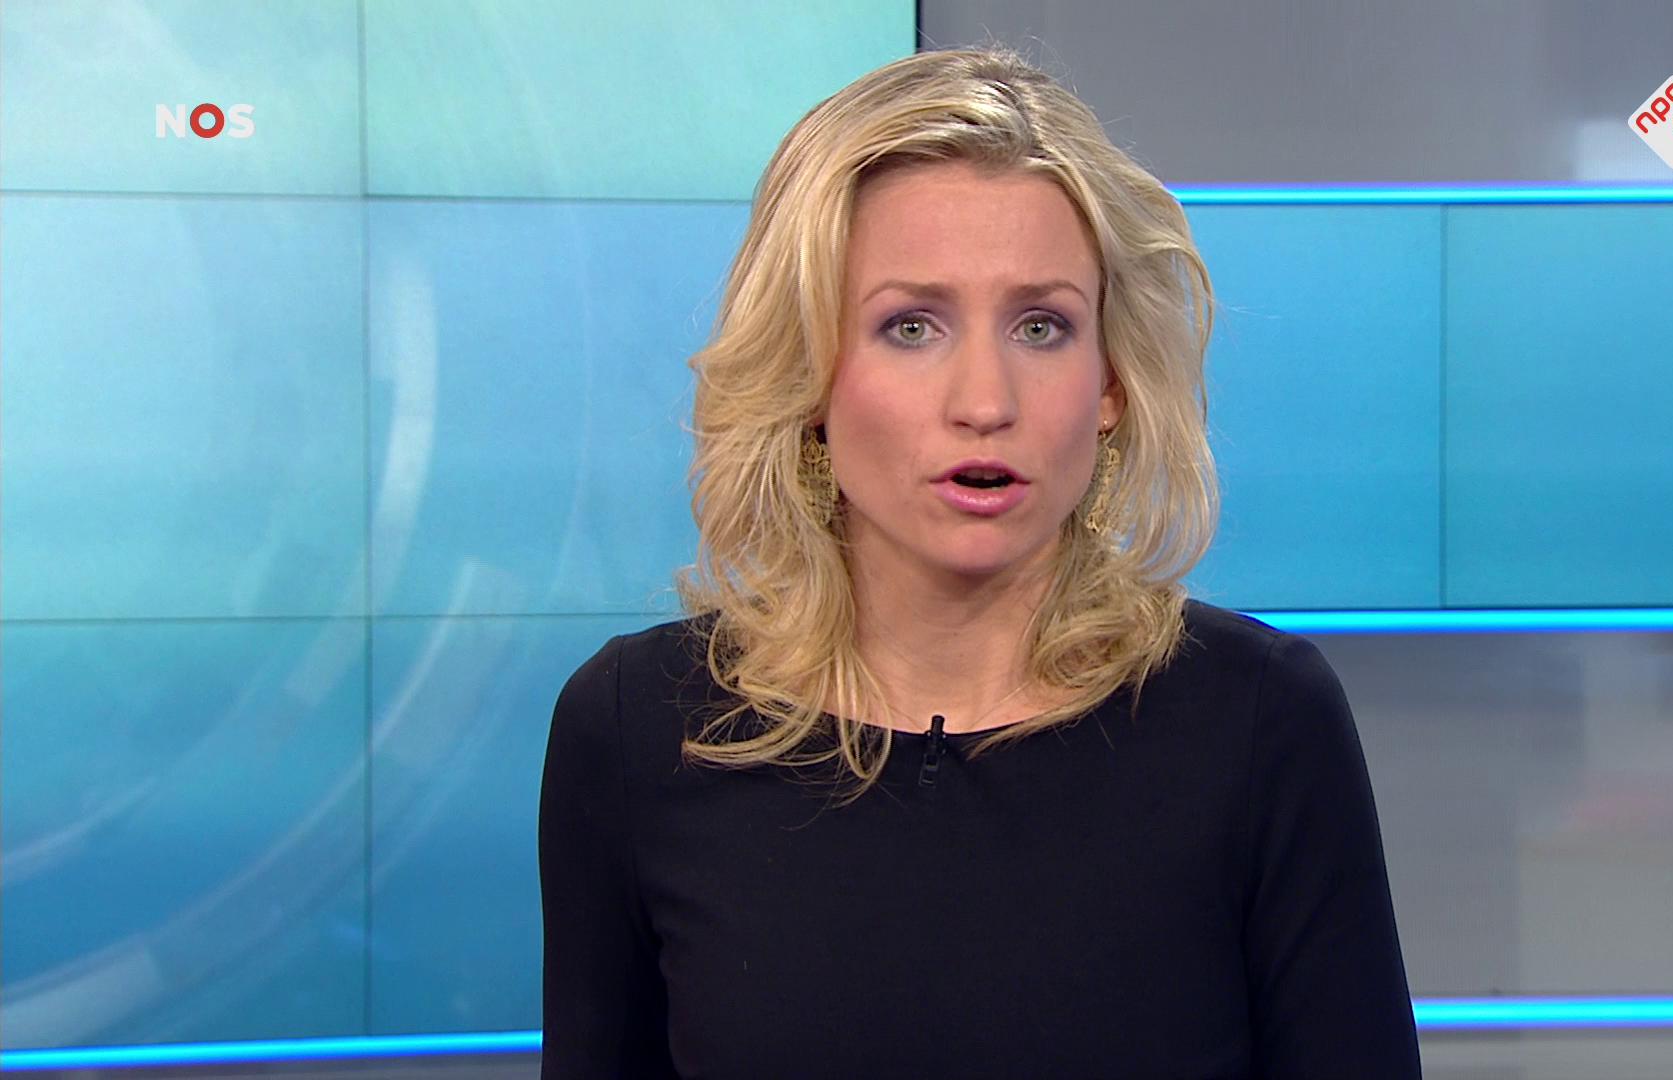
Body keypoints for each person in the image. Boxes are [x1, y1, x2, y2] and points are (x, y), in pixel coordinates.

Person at [539, 43, 1421, 1079]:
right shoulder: (640, 732)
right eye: (911, 326)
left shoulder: (1261, 724)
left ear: (1111, 383)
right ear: (810, 374)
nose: (986, 401)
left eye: (1042, 326)